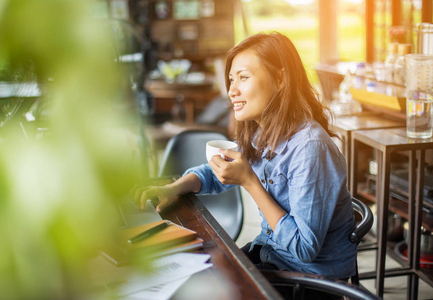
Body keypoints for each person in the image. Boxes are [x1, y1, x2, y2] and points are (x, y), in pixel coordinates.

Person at [133, 31, 357, 291]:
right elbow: (220, 171)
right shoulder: (264, 132)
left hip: (309, 281)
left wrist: (250, 182)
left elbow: (303, 248)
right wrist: (174, 188)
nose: (232, 91)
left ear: (281, 79)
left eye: (243, 78)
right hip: (270, 255)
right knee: (191, 279)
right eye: (231, 79)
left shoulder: (310, 149)